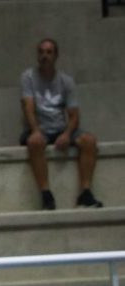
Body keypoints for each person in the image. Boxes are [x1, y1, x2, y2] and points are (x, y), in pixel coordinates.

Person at [20, 38, 101, 210]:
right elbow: (28, 107)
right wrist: (35, 130)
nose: (45, 56)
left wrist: (66, 134)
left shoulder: (66, 81)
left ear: (56, 56)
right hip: (39, 129)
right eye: (41, 52)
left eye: (49, 52)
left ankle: (85, 193)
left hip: (60, 129)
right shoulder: (28, 77)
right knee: (34, 142)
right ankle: (46, 195)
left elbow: (74, 115)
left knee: (89, 141)